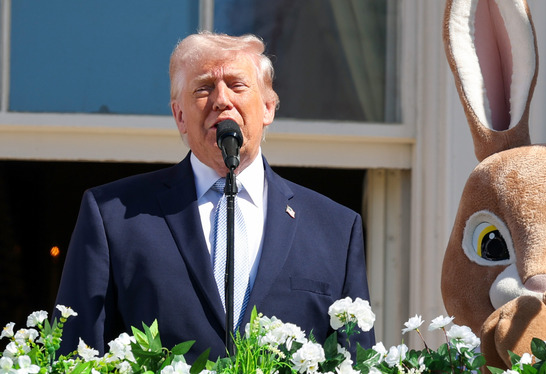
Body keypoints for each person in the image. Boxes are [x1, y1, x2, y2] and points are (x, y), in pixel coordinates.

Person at [54, 32, 374, 360]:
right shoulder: (114, 216)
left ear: (268, 107)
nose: (221, 99)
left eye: (237, 85)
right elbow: (75, 357)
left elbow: (356, 361)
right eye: (204, 88)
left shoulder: (335, 229)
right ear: (180, 116)